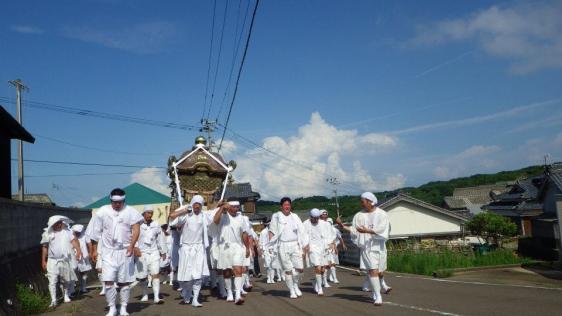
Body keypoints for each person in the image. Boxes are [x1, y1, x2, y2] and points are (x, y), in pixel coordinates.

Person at [88, 188, 143, 316]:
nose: (117, 205)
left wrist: (132, 245)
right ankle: (112, 307)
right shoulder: (102, 211)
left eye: (120, 202)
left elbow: (136, 229)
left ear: (124, 200)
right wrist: (95, 250)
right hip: (108, 252)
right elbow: (96, 232)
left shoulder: (131, 211)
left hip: (125, 251)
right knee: (108, 280)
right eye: (114, 202)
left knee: (124, 281)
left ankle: (123, 307)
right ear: (111, 200)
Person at [336, 192, 389, 306]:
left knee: (380, 271)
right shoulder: (359, 215)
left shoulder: (382, 214)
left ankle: (378, 289)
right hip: (366, 247)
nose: (362, 204)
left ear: (370, 201)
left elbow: (382, 228)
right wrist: (341, 225)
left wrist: (367, 231)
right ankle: (378, 296)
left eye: (363, 202)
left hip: (379, 246)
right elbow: (354, 229)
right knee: (372, 271)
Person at [169, 195, 211, 307]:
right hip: (186, 249)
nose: (197, 208)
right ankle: (186, 291)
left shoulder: (204, 216)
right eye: (195, 206)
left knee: (198, 276)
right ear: (191, 205)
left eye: (199, 206)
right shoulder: (185, 216)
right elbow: (172, 216)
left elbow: (214, 215)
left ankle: (195, 299)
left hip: (199, 248)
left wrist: (221, 207)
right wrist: (183, 210)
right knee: (185, 277)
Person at [268, 197, 308, 299]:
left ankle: (296, 285)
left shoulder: (295, 216)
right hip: (283, 245)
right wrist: (271, 247)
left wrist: (305, 245)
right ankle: (291, 290)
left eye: (288, 205)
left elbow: (302, 230)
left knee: (300, 268)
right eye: (285, 205)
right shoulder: (276, 216)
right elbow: (271, 231)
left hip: (295, 244)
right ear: (281, 206)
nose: (287, 206)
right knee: (288, 270)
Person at [214, 199, 251, 305]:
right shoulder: (223, 215)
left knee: (238, 270)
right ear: (228, 207)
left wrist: (247, 248)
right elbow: (215, 221)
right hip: (225, 247)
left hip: (238, 247)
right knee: (227, 272)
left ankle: (238, 295)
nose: (235, 209)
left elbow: (244, 233)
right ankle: (229, 292)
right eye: (233, 207)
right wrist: (221, 208)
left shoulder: (241, 218)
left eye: (237, 207)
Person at [41, 215, 81, 307]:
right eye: (57, 223)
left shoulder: (67, 232)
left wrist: (78, 251)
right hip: (52, 260)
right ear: (52, 225)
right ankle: (53, 300)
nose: (60, 225)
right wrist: (43, 260)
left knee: (66, 279)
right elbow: (44, 247)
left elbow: (73, 241)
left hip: (65, 259)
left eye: (60, 223)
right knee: (52, 280)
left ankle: (66, 295)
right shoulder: (47, 233)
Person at [136, 205, 167, 304]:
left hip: (154, 252)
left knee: (155, 274)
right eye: (148, 213)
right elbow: (133, 238)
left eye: (151, 213)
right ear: (144, 213)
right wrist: (135, 249)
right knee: (143, 276)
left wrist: (163, 251)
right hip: (142, 253)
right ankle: (144, 294)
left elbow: (160, 239)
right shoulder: (138, 225)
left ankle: (156, 297)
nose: (150, 215)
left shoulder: (156, 225)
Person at [303, 208, 334, 296]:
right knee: (318, 267)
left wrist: (331, 243)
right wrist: (305, 245)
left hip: (323, 248)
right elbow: (302, 235)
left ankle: (315, 282)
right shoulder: (305, 224)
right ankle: (320, 288)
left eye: (317, 218)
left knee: (323, 269)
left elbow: (329, 234)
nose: (316, 219)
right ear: (310, 217)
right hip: (312, 248)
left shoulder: (324, 224)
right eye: (314, 218)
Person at [71, 224, 92, 294]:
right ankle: (73, 289)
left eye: (79, 232)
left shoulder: (85, 235)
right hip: (73, 256)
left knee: (84, 272)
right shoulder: (70, 235)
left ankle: (83, 287)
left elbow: (89, 243)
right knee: (74, 272)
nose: (78, 233)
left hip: (84, 256)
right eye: (76, 232)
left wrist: (90, 252)